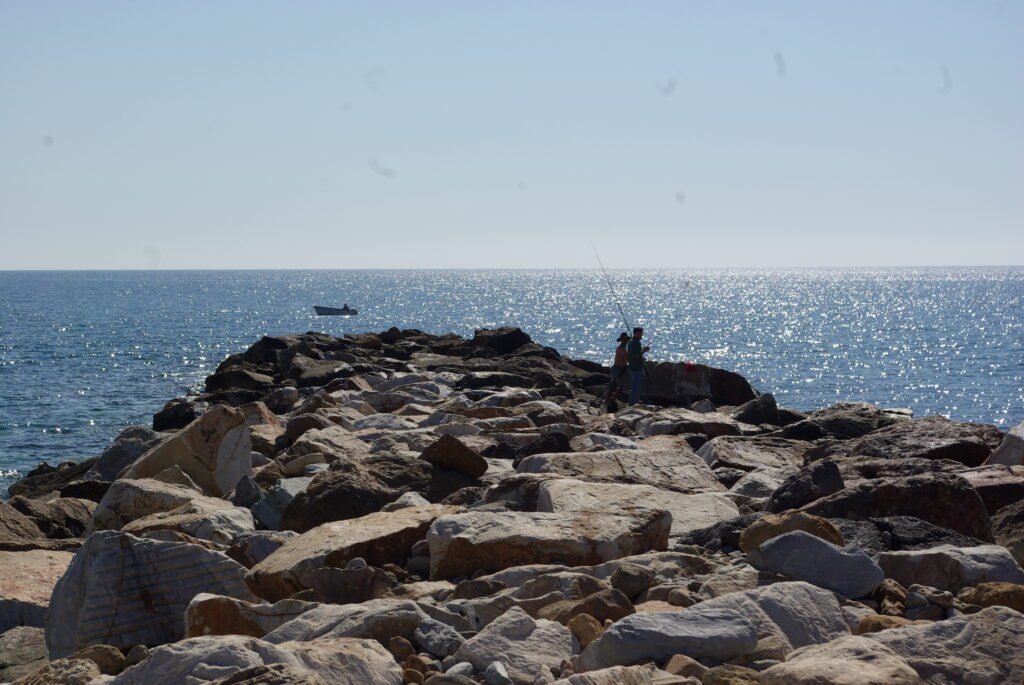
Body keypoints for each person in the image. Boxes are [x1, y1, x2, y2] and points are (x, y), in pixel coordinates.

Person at [605, 332, 630, 412]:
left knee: (616, 386)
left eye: (626, 339)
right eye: (624, 339)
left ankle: (610, 400)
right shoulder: (621, 349)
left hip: (621, 369)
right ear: (621, 340)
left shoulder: (624, 348)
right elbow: (628, 359)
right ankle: (609, 400)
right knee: (616, 386)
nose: (625, 341)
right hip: (617, 369)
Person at [626, 326, 650, 404]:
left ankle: (632, 401)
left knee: (634, 386)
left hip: (632, 366)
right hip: (636, 367)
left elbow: (633, 354)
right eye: (640, 334)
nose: (641, 335)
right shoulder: (636, 342)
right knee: (636, 386)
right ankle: (633, 402)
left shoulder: (630, 341)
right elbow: (637, 356)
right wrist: (644, 350)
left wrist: (642, 351)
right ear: (636, 333)